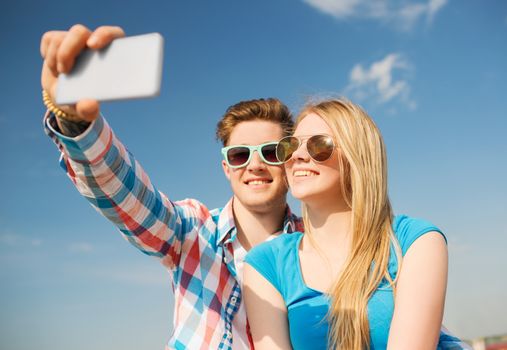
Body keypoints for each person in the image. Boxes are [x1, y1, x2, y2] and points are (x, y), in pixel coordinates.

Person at [40, 24, 302, 349]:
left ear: (290, 160)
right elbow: (127, 194)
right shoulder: (190, 231)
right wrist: (74, 122)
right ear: (226, 167)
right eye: (239, 154)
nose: (255, 165)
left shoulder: (314, 245)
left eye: (271, 152)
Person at [243, 98, 469, 349]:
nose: (297, 155)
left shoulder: (416, 241)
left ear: (357, 156)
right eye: (289, 146)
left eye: (319, 145)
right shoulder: (265, 264)